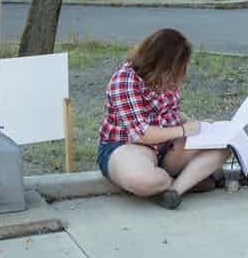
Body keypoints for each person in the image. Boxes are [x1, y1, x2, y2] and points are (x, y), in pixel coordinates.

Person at [97, 28, 230, 210]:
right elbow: (141, 134)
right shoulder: (125, 80)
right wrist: (184, 130)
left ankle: (174, 191)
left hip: (167, 148)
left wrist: (200, 125)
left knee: (224, 144)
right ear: (158, 63)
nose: (180, 76)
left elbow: (170, 114)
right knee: (141, 180)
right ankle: (186, 181)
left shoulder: (166, 80)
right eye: (176, 69)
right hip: (129, 146)